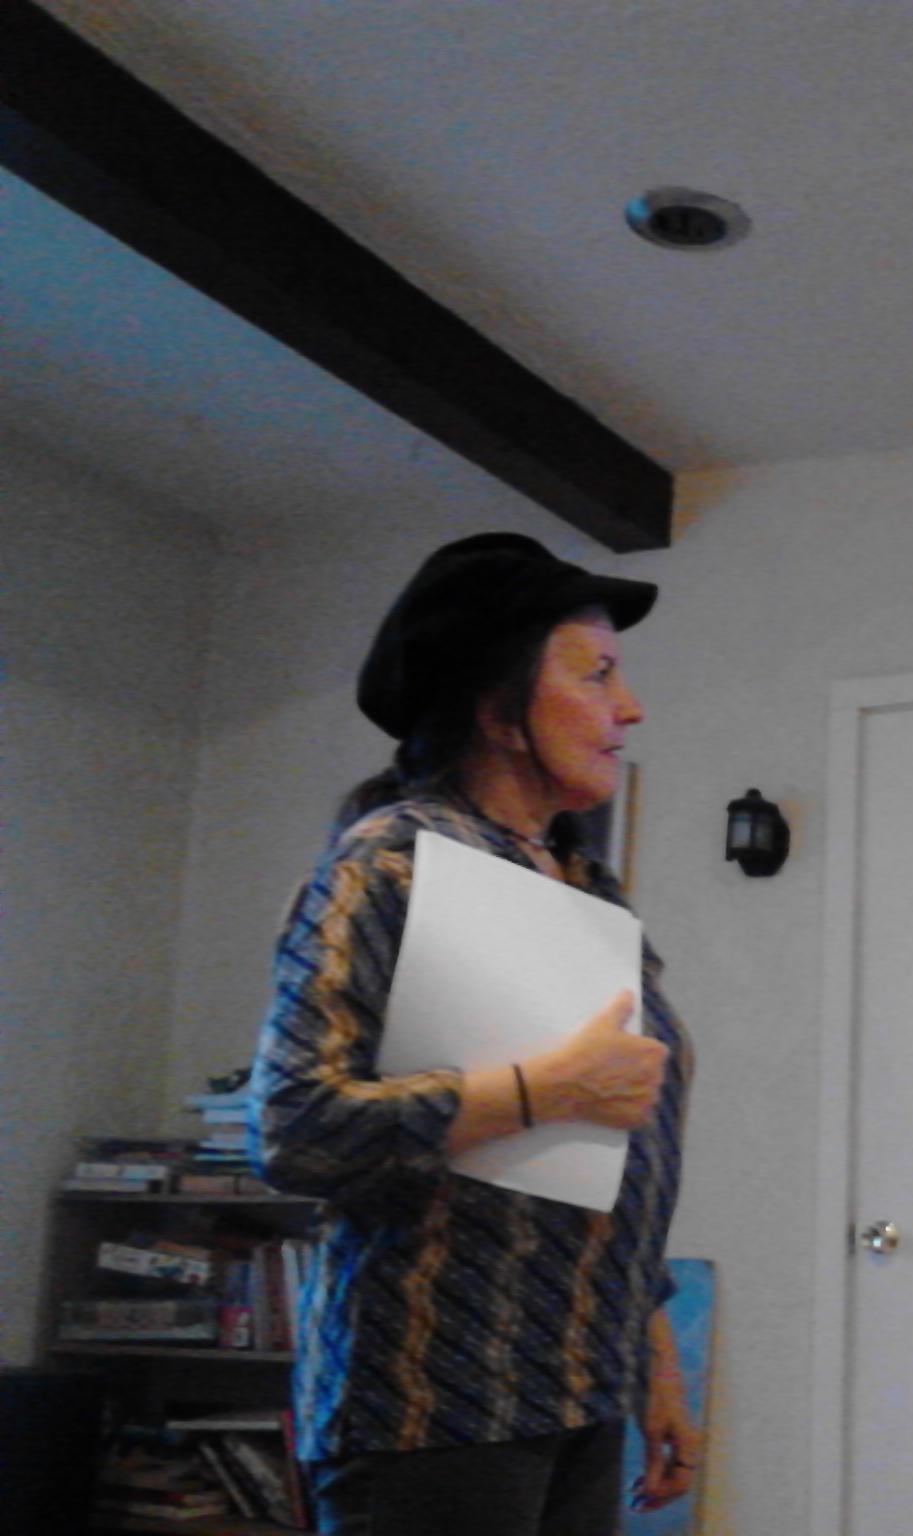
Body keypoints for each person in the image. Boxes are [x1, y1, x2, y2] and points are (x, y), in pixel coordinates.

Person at [249, 533, 699, 1535]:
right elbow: (293, 1127)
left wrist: (654, 1360)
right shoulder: (390, 865)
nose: (628, 708)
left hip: (577, 1387)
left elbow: (595, 1169)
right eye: (597, 675)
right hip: (437, 1405)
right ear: (498, 713)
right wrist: (545, 1089)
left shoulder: (583, 887)